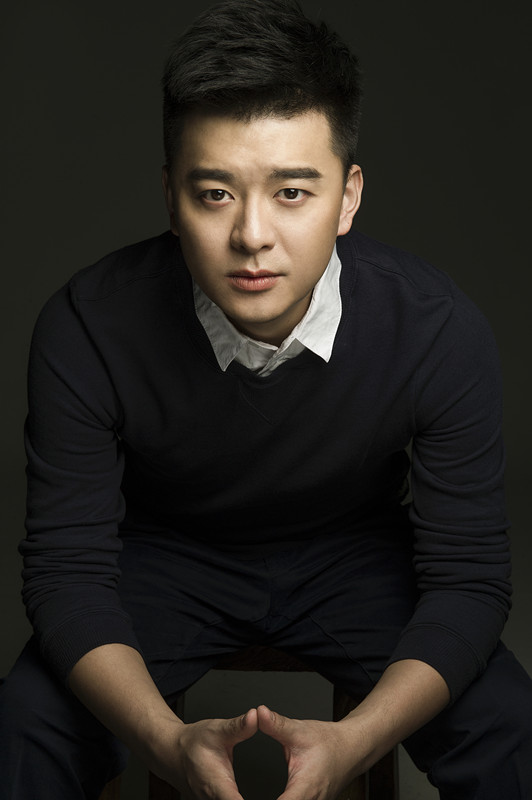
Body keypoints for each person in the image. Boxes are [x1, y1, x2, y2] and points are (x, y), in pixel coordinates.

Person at [1, 0, 531, 797]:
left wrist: (355, 743)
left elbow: (471, 582)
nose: (252, 235)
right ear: (171, 197)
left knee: (510, 723)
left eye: (292, 193)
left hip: (356, 556)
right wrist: (165, 743)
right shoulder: (88, 325)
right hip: (164, 556)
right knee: (28, 723)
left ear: (347, 198)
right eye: (215, 193)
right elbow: (64, 574)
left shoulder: (438, 331)